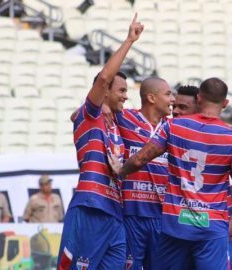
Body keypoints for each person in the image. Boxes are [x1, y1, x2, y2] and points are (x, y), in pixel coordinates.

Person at [110, 78, 232, 269]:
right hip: (211, 227)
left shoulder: (173, 127)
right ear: (225, 104)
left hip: (175, 224)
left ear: (199, 98)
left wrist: (121, 170)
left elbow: (140, 159)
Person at [57, 14, 143, 270]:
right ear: (104, 91)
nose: (126, 97)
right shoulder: (89, 114)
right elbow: (104, 77)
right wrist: (129, 40)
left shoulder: (117, 122)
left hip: (115, 213)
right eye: (122, 91)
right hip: (90, 206)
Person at [113, 77, 174, 270]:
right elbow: (81, 115)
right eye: (168, 94)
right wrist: (105, 107)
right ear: (151, 98)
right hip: (131, 212)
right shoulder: (125, 117)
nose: (172, 99)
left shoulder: (173, 128)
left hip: (162, 216)